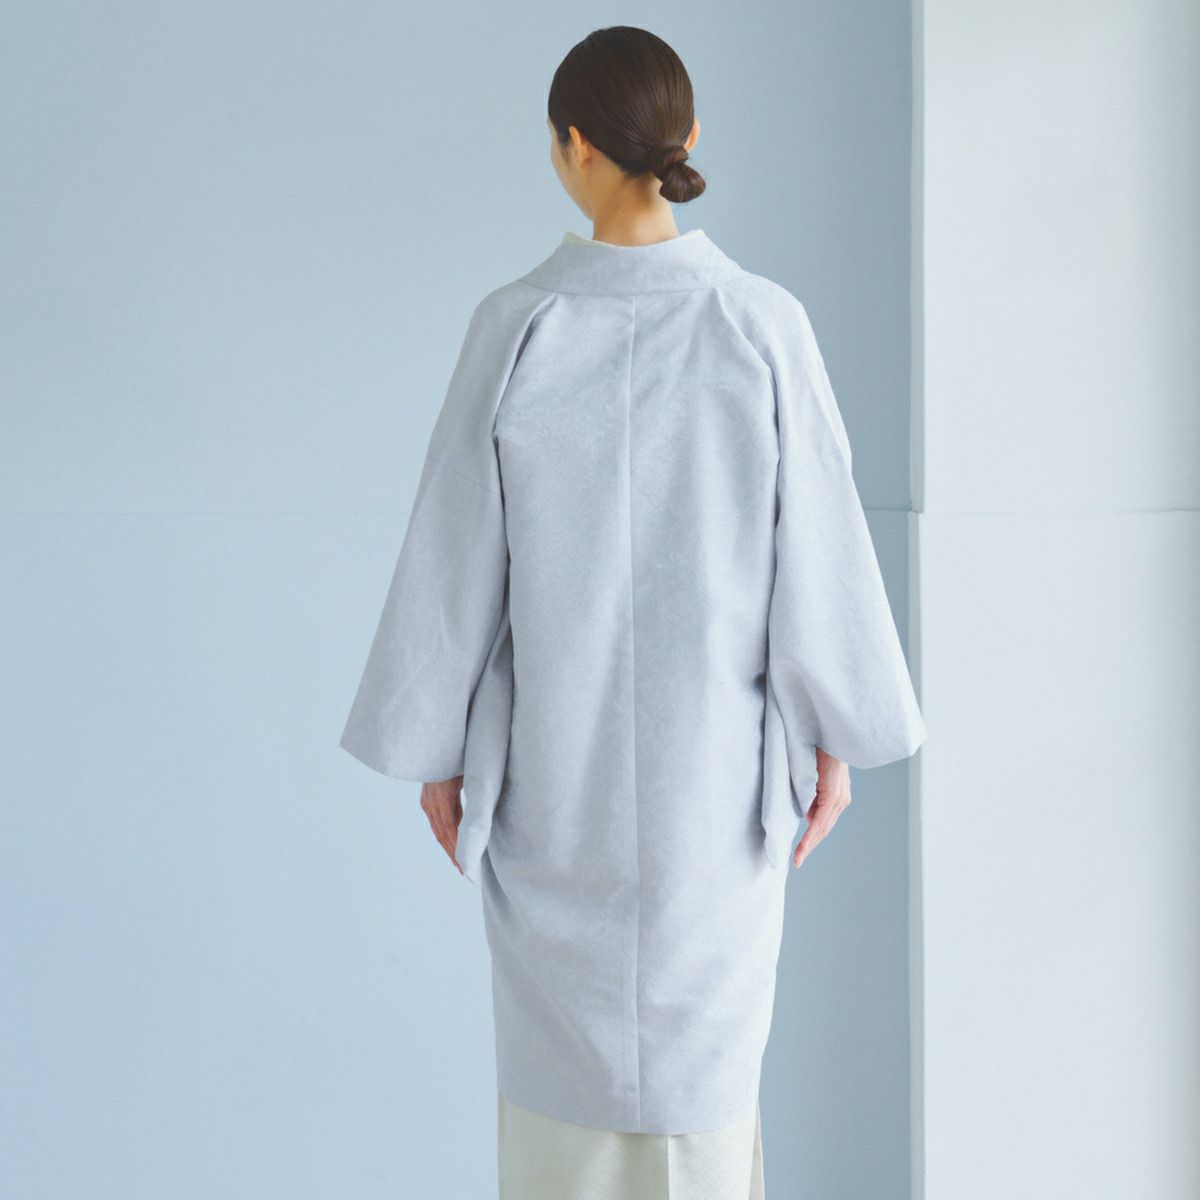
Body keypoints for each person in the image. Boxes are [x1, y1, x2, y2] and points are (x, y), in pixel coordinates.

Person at [339, 24, 926, 1200]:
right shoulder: (762, 324)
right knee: (705, 1125)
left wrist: (436, 748)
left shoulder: (516, 326)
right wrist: (834, 736)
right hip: (716, 799)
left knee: (561, 1135)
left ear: (573, 146)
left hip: (558, 792)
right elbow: (818, 543)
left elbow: (454, 549)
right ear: (687, 137)